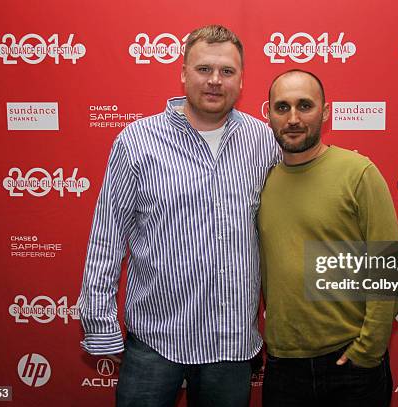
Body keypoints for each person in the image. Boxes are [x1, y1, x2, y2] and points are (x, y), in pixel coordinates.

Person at [77, 25, 279, 407]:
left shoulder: (264, 141)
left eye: (227, 71)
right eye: (204, 69)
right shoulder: (136, 141)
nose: (215, 81)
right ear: (183, 72)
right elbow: (107, 235)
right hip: (156, 340)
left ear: (241, 80)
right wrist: (101, 323)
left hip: (231, 344)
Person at [258, 69, 398, 407]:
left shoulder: (358, 172)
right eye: (282, 107)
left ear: (325, 112)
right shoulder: (260, 180)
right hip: (283, 366)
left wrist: (367, 351)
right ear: (269, 114)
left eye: (304, 106)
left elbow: (389, 267)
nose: (293, 118)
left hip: (349, 365)